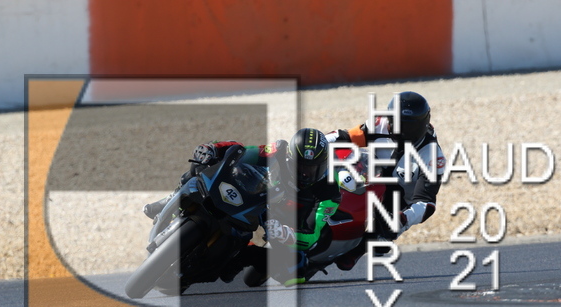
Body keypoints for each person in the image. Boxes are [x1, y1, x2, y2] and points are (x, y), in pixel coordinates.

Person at [143, 128, 341, 284]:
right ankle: (171, 198)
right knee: (204, 163)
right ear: (290, 157)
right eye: (301, 166)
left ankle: (238, 260)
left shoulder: (330, 190)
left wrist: (285, 233)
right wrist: (214, 149)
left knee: (294, 268)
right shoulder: (279, 150)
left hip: (283, 222)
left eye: (313, 168)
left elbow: (312, 234)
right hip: (259, 197)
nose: (305, 174)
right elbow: (245, 152)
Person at [326, 91, 446, 270]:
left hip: (398, 201)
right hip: (369, 176)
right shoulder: (380, 124)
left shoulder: (433, 156)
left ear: (420, 125)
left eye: (404, 125)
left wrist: (403, 218)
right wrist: (321, 142)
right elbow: (346, 136)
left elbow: (426, 203)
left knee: (376, 243)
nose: (395, 128)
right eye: (393, 121)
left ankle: (361, 246)